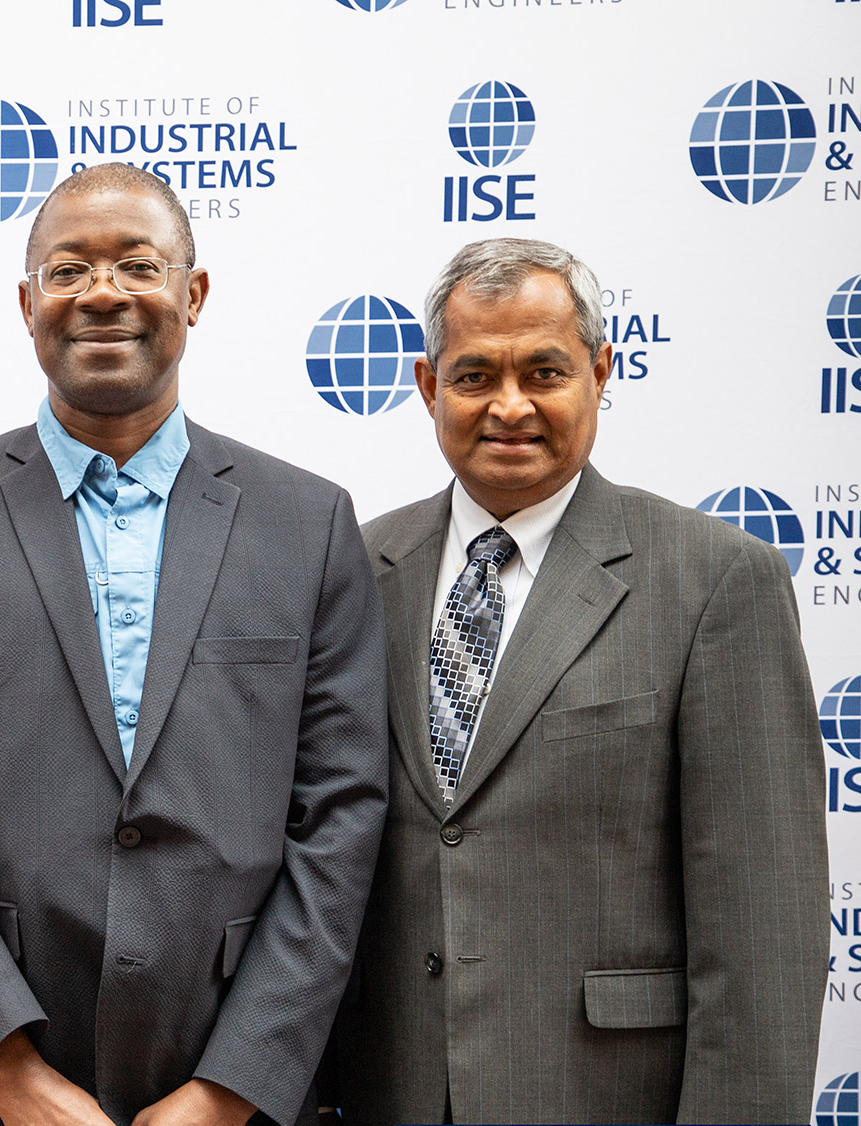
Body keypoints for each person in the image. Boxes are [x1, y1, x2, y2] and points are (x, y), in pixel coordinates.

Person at [0, 162, 390, 1126]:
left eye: (137, 265)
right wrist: (11, 1072)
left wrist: (237, 1083)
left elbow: (343, 821)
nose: (102, 293)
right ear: (28, 305)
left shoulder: (307, 523)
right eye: (68, 271)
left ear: (193, 294)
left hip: (242, 1079)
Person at [322, 237, 827, 1123]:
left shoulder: (713, 580)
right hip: (386, 1091)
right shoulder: (356, 571)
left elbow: (763, 935)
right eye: (475, 375)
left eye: (545, 372)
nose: (509, 406)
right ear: (426, 385)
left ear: (599, 372)